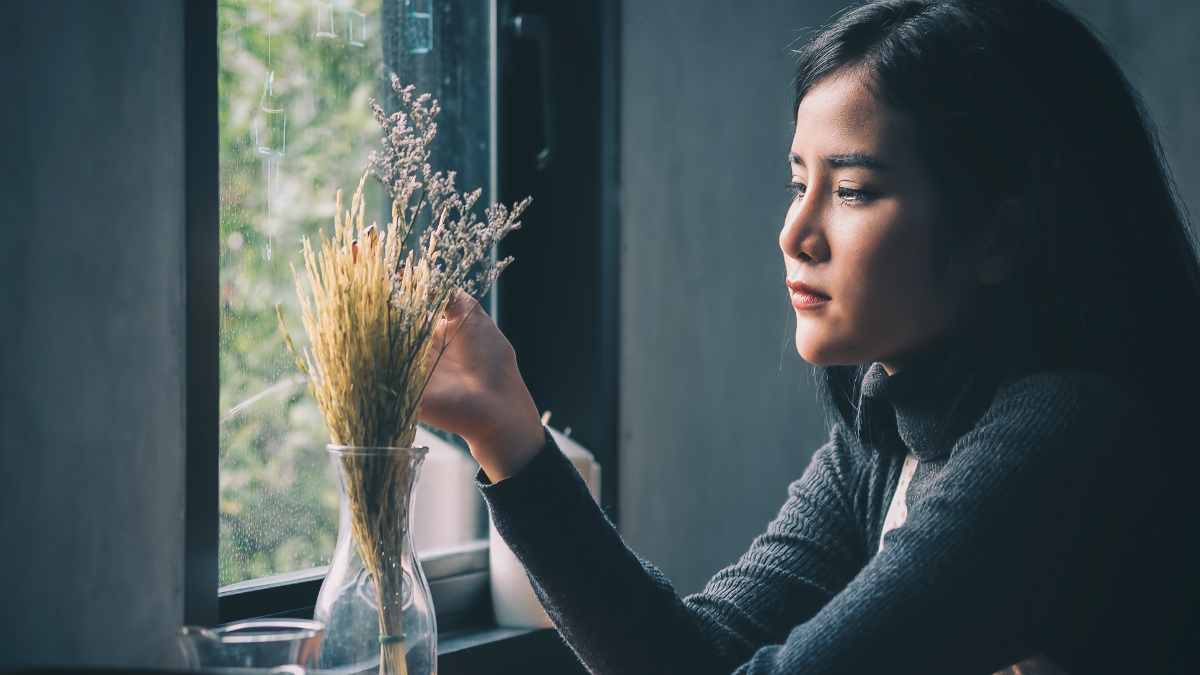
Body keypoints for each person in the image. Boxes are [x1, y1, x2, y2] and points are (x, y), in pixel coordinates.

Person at [419, 0, 1200, 672]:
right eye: (800, 183)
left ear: (997, 239)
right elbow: (694, 655)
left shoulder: (1069, 435)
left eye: (853, 190)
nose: (796, 232)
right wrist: (506, 426)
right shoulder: (886, 432)